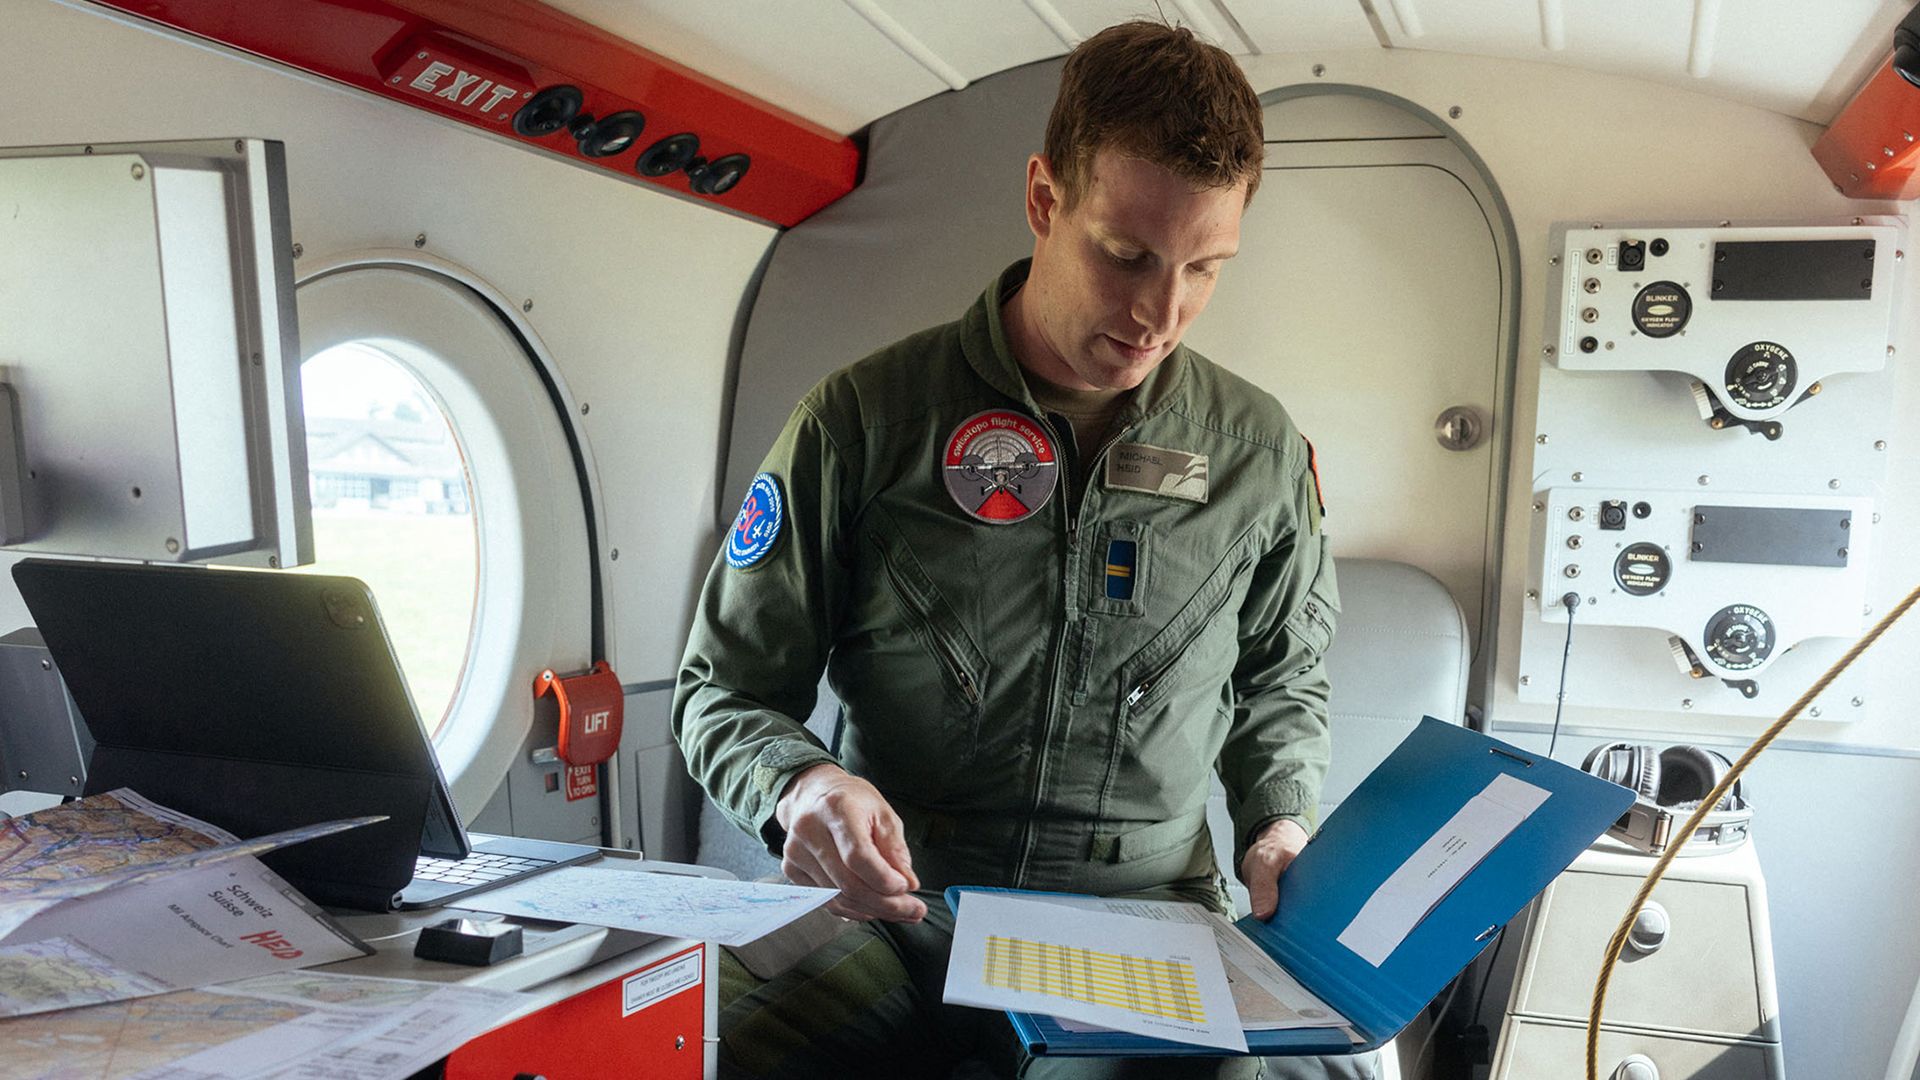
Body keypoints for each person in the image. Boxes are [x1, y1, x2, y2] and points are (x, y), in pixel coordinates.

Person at [675, 20, 1351, 1079]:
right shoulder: (862, 424)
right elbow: (721, 691)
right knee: (683, 1045)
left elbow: (1281, 680)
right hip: (899, 905)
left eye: (1204, 268)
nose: (1160, 313)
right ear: (1044, 198)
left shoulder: (1257, 456)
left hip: (1142, 920)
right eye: (1125, 256)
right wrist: (800, 786)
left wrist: (1280, 820)